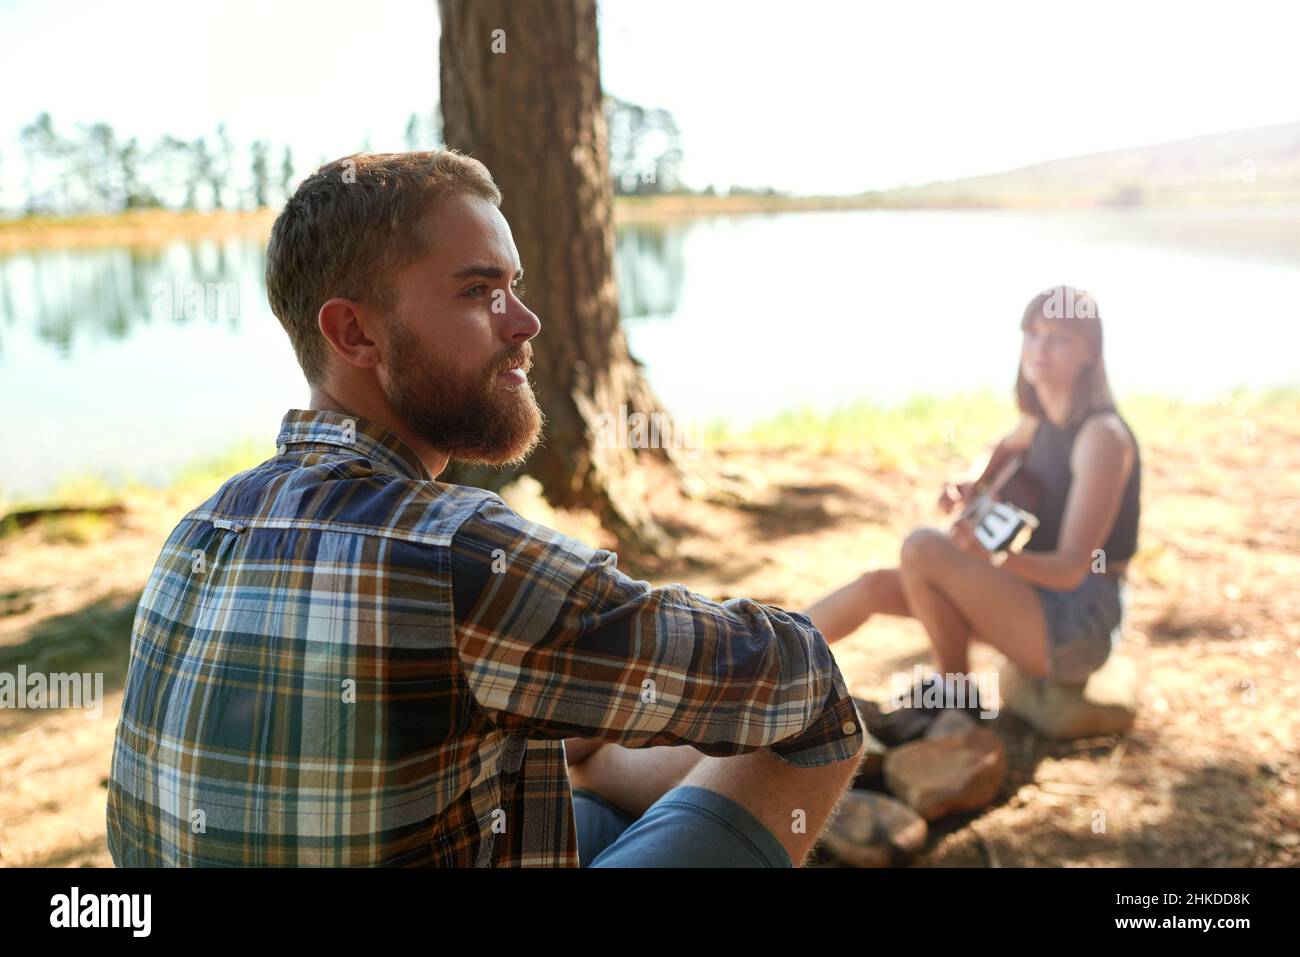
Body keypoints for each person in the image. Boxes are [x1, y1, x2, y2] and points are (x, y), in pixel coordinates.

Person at [106, 150, 865, 868]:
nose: (524, 322)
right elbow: (802, 678)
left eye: (515, 284)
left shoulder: (197, 529)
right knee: (816, 717)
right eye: (478, 291)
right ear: (355, 332)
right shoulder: (454, 553)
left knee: (582, 776)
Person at [805, 285, 1140, 734]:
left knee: (923, 549)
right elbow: (1000, 448)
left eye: (1059, 337)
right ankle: (766, 660)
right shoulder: (1041, 419)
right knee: (876, 586)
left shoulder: (1102, 436)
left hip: (1075, 621)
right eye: (1034, 334)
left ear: (1089, 352)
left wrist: (993, 558)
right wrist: (973, 480)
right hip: (1030, 598)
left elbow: (1072, 569)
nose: (1040, 348)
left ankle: (955, 697)